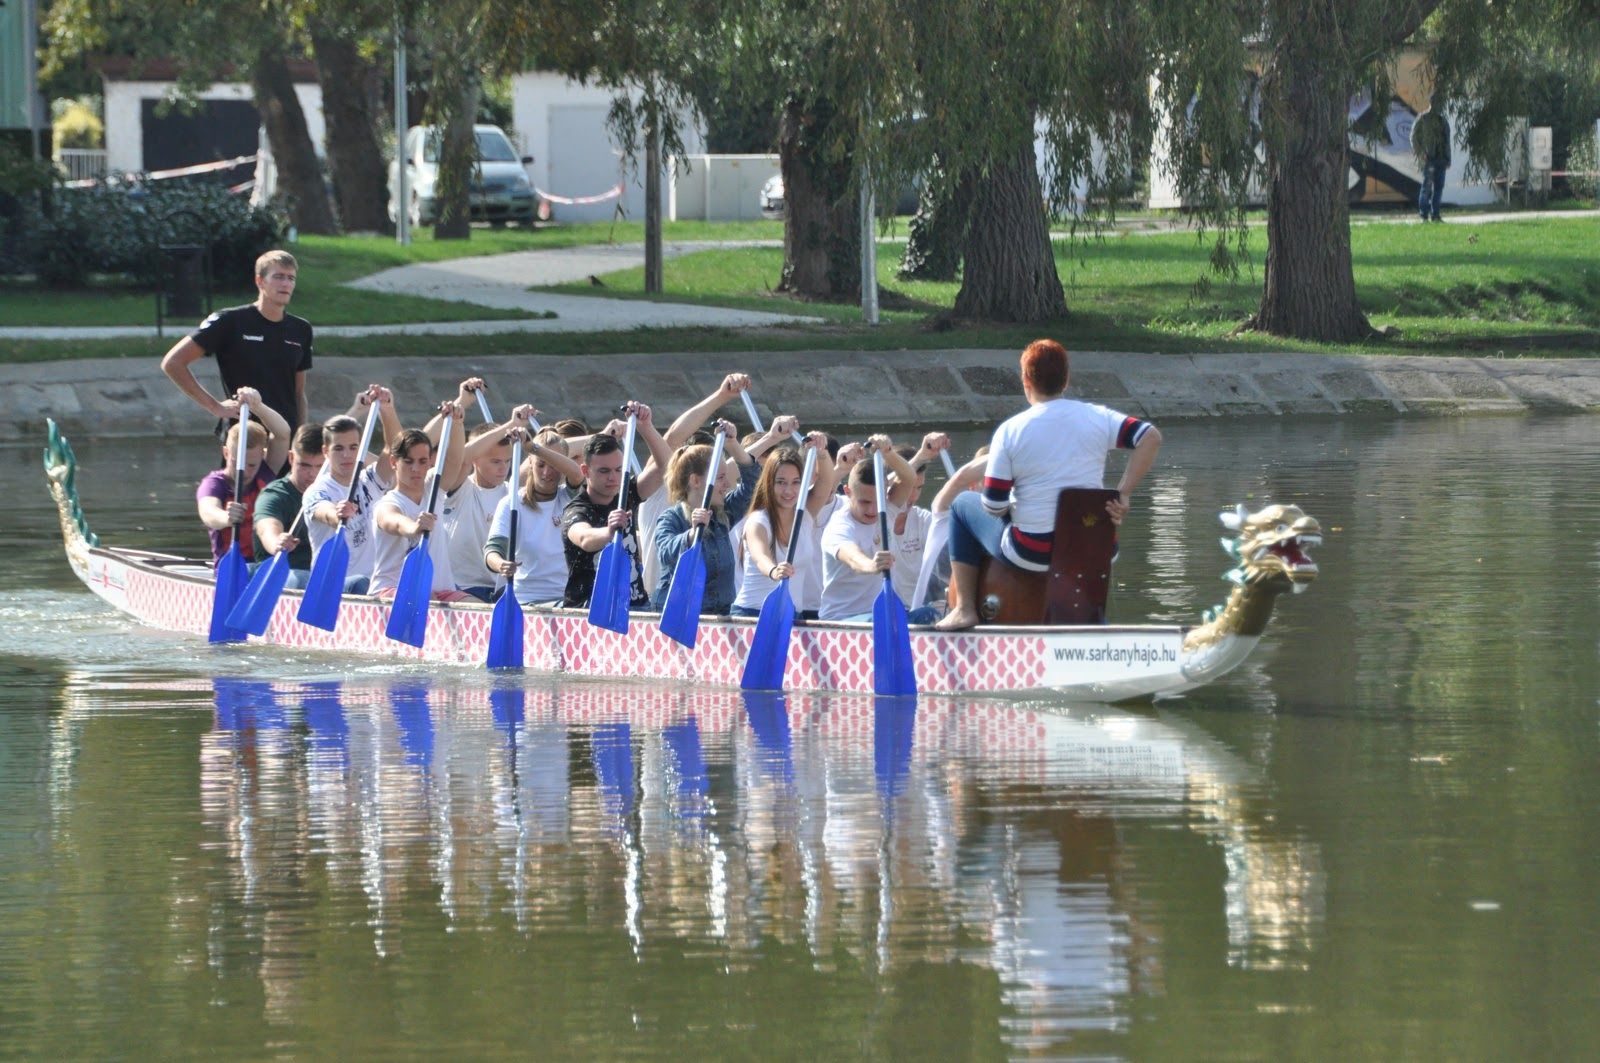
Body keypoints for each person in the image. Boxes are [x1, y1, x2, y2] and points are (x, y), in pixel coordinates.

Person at [935, 339, 1161, 631]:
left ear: (1025, 380)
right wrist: (1124, 493)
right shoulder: (1099, 418)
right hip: (1096, 548)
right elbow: (1150, 437)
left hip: (1032, 553)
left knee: (961, 506)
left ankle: (965, 610)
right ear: (1066, 379)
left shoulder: (1011, 430)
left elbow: (993, 505)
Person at [160, 249, 312, 438]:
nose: (286, 283)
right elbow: (173, 363)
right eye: (278, 277)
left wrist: (302, 439)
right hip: (242, 438)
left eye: (291, 278)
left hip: (285, 437)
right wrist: (214, 406)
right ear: (260, 281)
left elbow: (298, 393)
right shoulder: (230, 321)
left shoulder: (301, 329)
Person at [560, 401, 672, 609]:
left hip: (636, 605)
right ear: (585, 471)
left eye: (619, 470)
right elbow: (584, 538)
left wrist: (646, 427)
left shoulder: (627, 493)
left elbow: (667, 466)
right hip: (591, 608)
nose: (613, 478)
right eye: (604, 471)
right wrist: (609, 532)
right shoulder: (577, 510)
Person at [435, 379, 539, 602]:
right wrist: (509, 425)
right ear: (477, 461)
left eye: (507, 461)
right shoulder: (458, 487)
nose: (504, 468)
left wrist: (529, 438)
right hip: (462, 588)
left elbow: (549, 453)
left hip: (501, 590)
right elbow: (462, 457)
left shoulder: (511, 493)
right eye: (494, 462)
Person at [650, 420, 761, 614]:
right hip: (677, 613)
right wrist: (692, 534)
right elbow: (666, 553)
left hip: (720, 616)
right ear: (695, 481)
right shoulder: (671, 518)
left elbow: (753, 484)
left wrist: (733, 444)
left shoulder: (722, 513)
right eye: (720, 478)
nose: (727, 484)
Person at [301, 385, 402, 595]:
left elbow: (393, 449)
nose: (347, 455)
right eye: (338, 448)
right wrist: (336, 514)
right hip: (336, 589)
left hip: (374, 587)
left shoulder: (370, 481)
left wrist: (387, 409)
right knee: (361, 583)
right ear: (325, 452)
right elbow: (324, 511)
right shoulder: (317, 491)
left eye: (353, 448)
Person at [819, 435, 930, 623]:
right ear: (847, 492)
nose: (872, 510)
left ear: (885, 494)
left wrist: (888, 453)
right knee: (884, 620)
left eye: (877, 501)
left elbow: (909, 477)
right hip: (840, 620)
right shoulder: (839, 526)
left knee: (929, 615)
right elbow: (853, 558)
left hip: (879, 615)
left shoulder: (887, 509)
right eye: (864, 502)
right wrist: (872, 565)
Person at [370, 403, 472, 601]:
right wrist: (414, 527)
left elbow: (454, 460)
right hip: (391, 591)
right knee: (426, 597)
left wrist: (458, 424)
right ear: (393, 462)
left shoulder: (433, 488)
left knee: (484, 615)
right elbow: (393, 521)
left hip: (441, 592)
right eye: (408, 462)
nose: (416, 469)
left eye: (422, 461)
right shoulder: (387, 503)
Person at [731, 433, 837, 620]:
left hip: (792, 614)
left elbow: (826, 482)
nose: (789, 491)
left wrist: (821, 452)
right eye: (781, 483)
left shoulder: (805, 515)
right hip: (752, 613)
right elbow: (760, 555)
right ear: (769, 484)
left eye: (796, 483)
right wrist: (773, 570)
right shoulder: (757, 521)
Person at [484, 429, 583, 606]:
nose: (547, 473)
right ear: (530, 463)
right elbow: (492, 550)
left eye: (553, 465)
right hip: (524, 599)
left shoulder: (570, 497)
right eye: (540, 465)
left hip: (566, 598)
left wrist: (532, 447)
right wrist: (500, 564)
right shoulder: (511, 503)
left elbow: (576, 474)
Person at [195, 387, 291, 565]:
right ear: (225, 453)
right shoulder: (215, 484)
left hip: (266, 565)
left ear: (262, 455)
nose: (245, 471)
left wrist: (258, 406)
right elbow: (208, 512)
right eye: (237, 462)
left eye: (252, 464)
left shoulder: (266, 470)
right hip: (232, 569)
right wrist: (226, 518)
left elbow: (283, 433)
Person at [251, 422, 326, 589]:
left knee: (360, 582)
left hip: (323, 578)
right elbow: (266, 528)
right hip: (282, 576)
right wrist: (277, 542)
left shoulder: (337, 492)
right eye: (304, 465)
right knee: (301, 579)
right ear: (291, 458)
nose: (312, 475)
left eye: (320, 467)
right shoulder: (274, 495)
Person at [1413, 103, 1452, 223]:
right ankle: (1424, 215)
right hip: (1429, 159)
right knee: (1427, 188)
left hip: (1441, 160)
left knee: (1439, 188)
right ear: (1431, 103)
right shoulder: (1423, 118)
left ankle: (1435, 215)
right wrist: (1420, 152)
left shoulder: (1443, 120)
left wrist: (1448, 159)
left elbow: (1447, 140)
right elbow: (1414, 137)